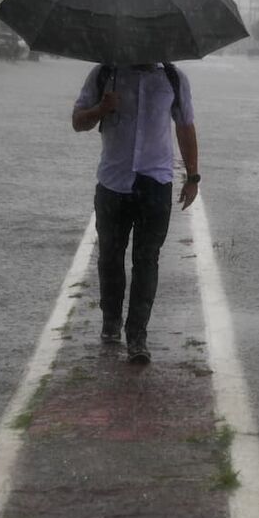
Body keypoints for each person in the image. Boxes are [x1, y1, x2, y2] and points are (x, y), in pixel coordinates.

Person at [72, 63, 200, 364]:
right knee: (110, 257)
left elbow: (185, 126)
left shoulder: (173, 78)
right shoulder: (104, 74)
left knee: (147, 261)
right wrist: (101, 108)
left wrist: (192, 176)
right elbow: (78, 121)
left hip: (155, 185)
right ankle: (111, 322)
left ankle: (137, 335)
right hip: (112, 185)